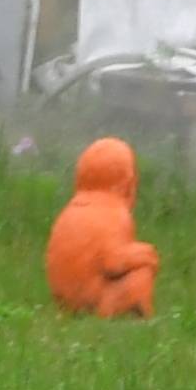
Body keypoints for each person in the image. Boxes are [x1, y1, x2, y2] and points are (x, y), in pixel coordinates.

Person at [47, 136, 160, 318]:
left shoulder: (69, 211)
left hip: (66, 301)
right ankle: (137, 319)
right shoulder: (115, 213)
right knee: (142, 273)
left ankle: (71, 310)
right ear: (127, 183)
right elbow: (113, 262)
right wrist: (145, 254)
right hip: (94, 300)